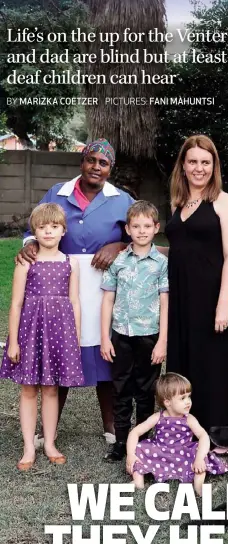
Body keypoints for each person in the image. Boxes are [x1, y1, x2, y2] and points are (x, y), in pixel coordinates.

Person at [16, 139, 135, 444]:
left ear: (111, 169)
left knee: (104, 349)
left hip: (105, 286)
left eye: (104, 163)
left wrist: (117, 245)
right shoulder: (58, 193)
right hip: (59, 283)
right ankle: (49, 428)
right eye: (91, 160)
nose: (97, 166)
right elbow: (34, 227)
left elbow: (139, 237)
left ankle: (111, 425)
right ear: (82, 161)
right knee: (60, 346)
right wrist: (29, 244)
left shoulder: (122, 200)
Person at [165, 135, 228, 451]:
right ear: (183, 165)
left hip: (213, 297)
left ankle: (218, 435)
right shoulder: (177, 202)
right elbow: (181, 249)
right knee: (184, 364)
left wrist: (223, 304)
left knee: (213, 366)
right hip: (181, 297)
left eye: (205, 163)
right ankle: (186, 432)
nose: (199, 168)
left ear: (214, 166)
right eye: (193, 161)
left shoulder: (223, 201)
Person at [0, 203, 83, 470]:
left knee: (51, 389)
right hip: (30, 332)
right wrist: (13, 341)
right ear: (34, 231)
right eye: (42, 227)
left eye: (54, 227)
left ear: (63, 230)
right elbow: (15, 304)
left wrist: (76, 338)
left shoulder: (71, 263)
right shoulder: (27, 262)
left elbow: (75, 302)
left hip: (59, 334)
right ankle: (28, 447)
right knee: (28, 389)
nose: (48, 231)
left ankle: (49, 443)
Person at [100, 201, 169, 462]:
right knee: (121, 388)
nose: (141, 231)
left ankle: (142, 438)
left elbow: (165, 303)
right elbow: (107, 299)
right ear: (128, 229)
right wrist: (105, 337)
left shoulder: (161, 264)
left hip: (149, 334)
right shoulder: (118, 261)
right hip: (120, 335)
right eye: (136, 226)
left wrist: (162, 341)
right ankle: (120, 442)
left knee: (146, 389)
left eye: (147, 226)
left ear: (156, 228)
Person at [126, 373, 228, 494]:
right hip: (161, 451)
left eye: (188, 397)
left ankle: (199, 486)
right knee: (140, 447)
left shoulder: (189, 418)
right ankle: (138, 481)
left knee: (200, 452)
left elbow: (203, 436)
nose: (188, 402)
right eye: (182, 398)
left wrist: (199, 458)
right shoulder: (157, 417)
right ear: (167, 402)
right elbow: (135, 432)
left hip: (183, 452)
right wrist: (130, 455)